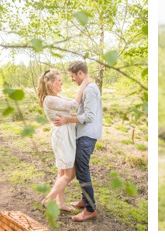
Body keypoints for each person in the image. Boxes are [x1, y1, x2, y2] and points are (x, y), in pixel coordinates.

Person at [53, 61, 103, 222]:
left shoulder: (90, 90)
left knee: (82, 171)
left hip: (87, 136)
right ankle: (85, 200)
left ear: (80, 73)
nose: (72, 79)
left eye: (73, 76)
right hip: (84, 135)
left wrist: (68, 119)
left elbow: (89, 116)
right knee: (81, 170)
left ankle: (90, 210)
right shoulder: (88, 88)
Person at [37, 68, 90, 212]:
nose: (62, 83)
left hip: (66, 133)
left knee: (62, 172)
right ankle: (48, 200)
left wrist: (78, 117)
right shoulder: (49, 99)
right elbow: (74, 105)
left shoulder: (58, 97)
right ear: (51, 83)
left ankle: (60, 203)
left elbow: (72, 108)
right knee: (70, 174)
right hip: (62, 136)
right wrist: (84, 84)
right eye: (59, 81)